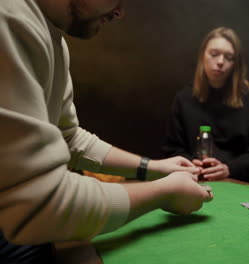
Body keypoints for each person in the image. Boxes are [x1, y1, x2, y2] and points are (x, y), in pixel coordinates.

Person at [0, 0, 213, 262]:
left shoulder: (54, 39)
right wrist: (164, 193)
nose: (120, 12)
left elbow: (69, 137)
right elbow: (39, 204)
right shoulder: (8, 15)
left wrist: (154, 167)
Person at [162, 27, 249, 183]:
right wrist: (191, 163)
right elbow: (171, 150)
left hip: (237, 183)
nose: (220, 62)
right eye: (214, 54)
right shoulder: (183, 99)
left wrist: (229, 168)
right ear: (202, 57)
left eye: (229, 57)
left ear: (235, 64)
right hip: (193, 180)